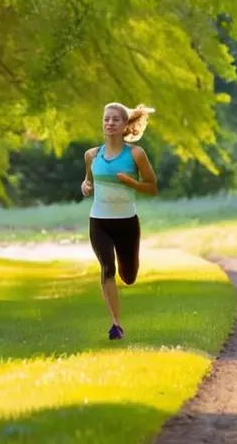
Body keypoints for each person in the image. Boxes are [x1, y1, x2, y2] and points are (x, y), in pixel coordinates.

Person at [80, 102, 158, 340]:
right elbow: (88, 183)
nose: (110, 123)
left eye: (115, 119)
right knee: (107, 267)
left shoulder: (135, 154)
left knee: (129, 275)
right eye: (106, 119)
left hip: (126, 223)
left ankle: (129, 271)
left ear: (125, 125)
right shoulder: (92, 155)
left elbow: (152, 188)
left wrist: (130, 182)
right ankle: (115, 324)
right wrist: (85, 187)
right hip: (99, 221)